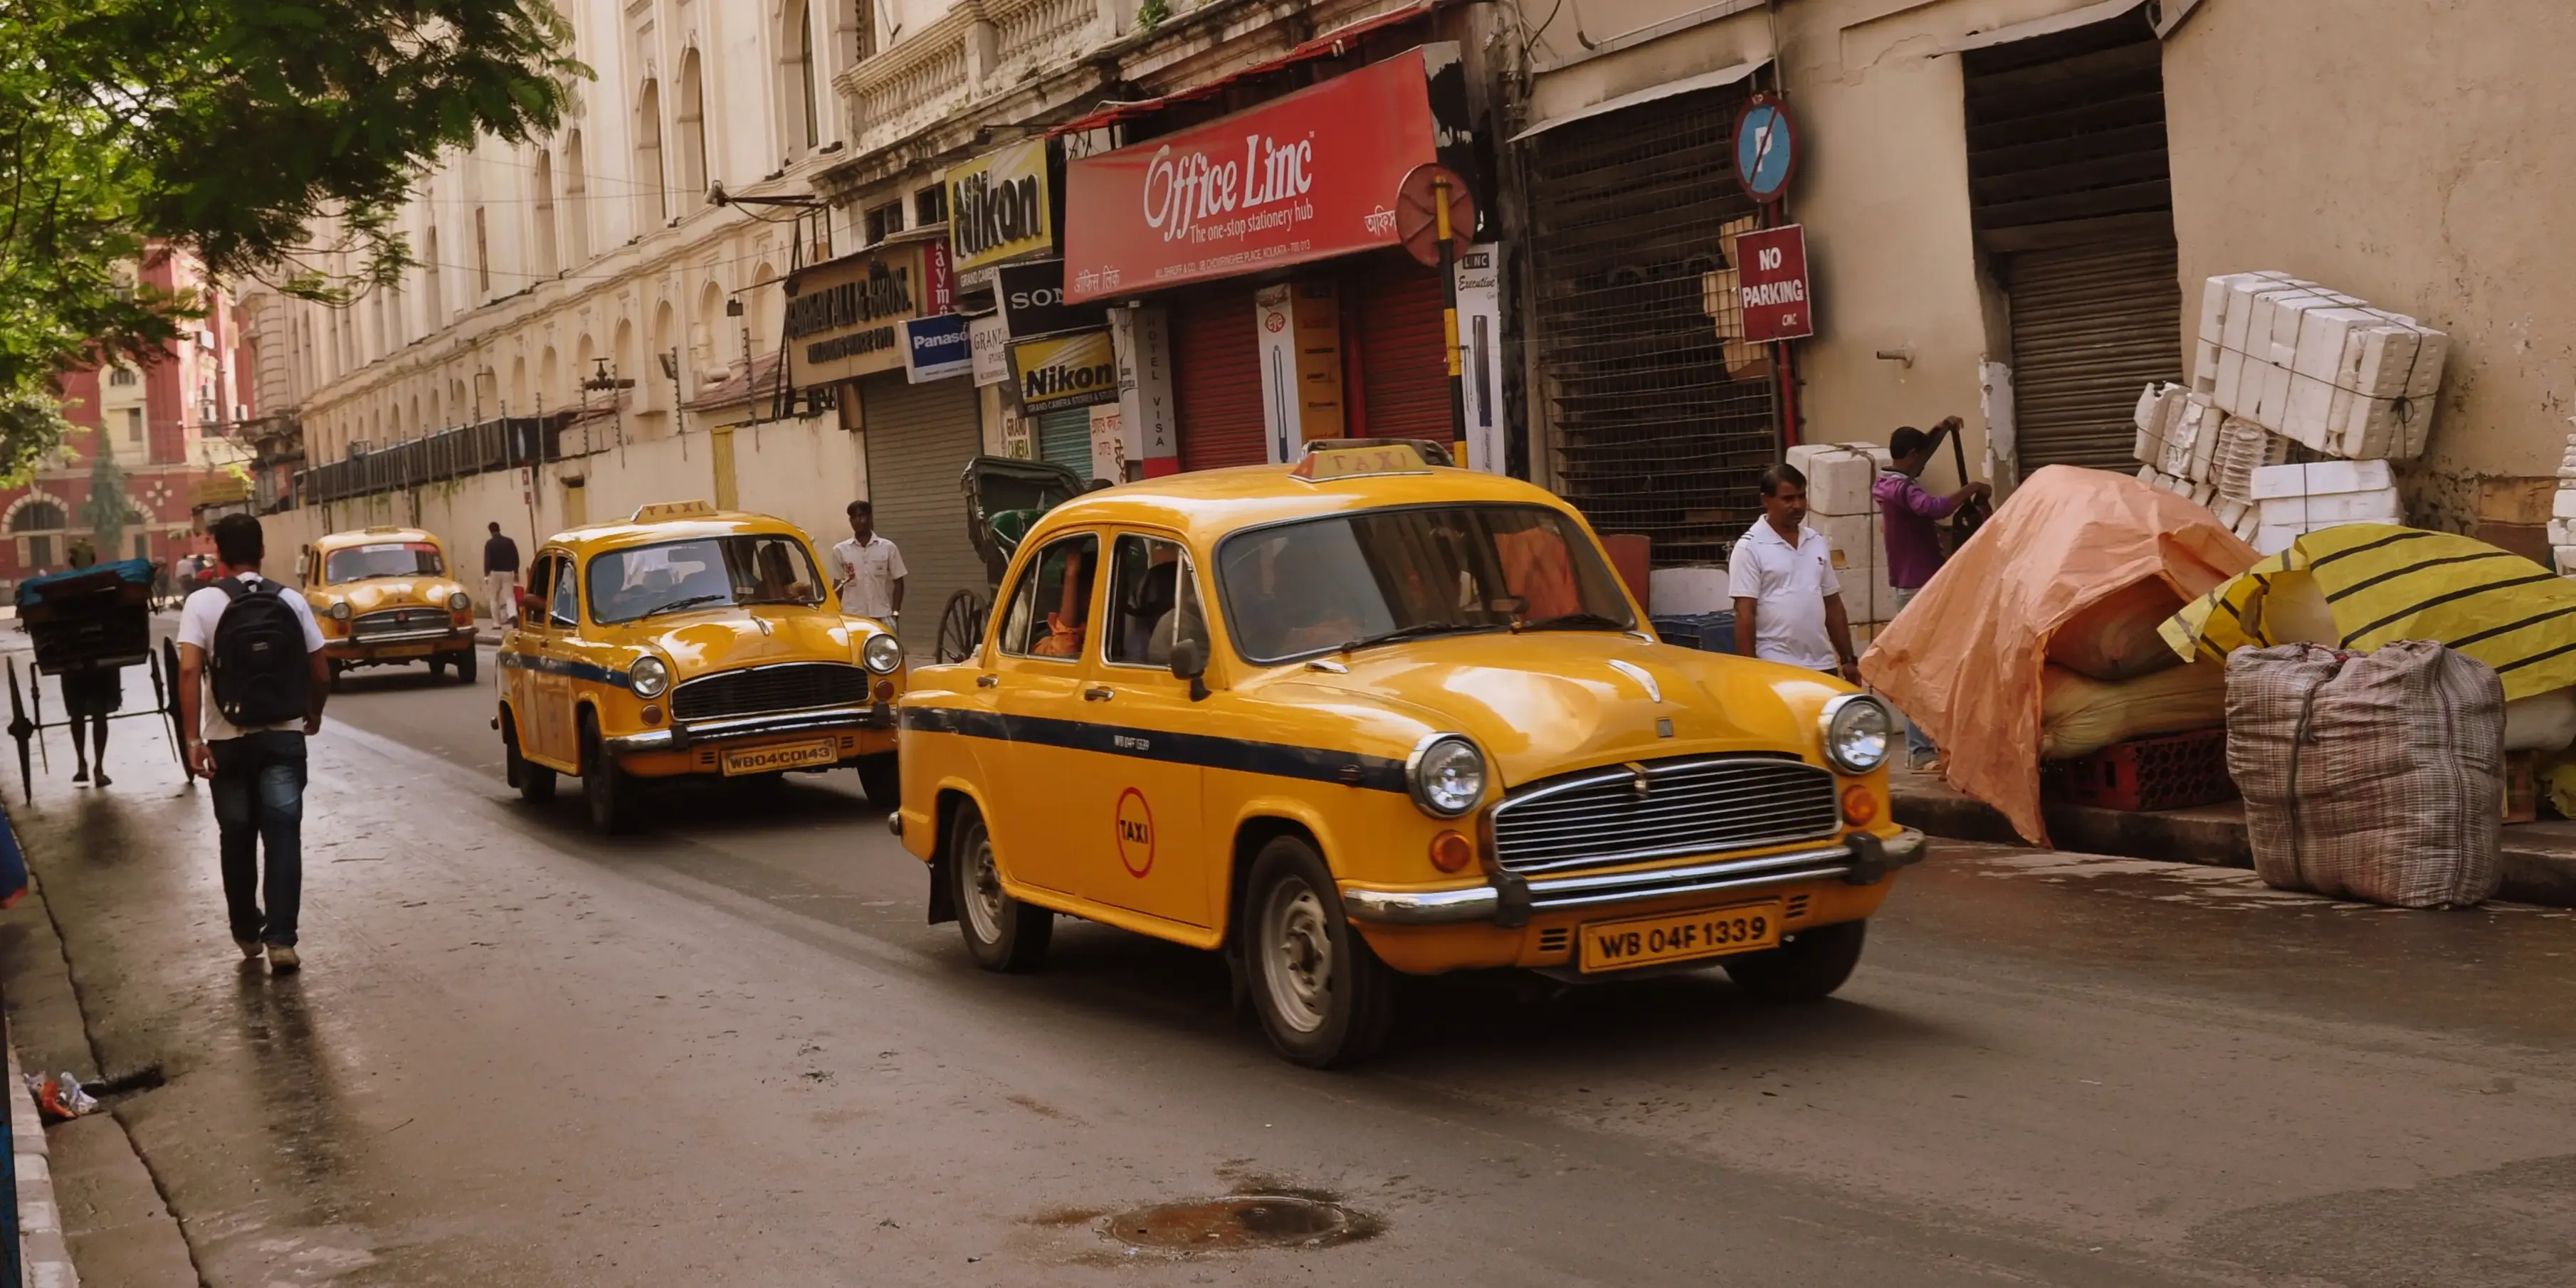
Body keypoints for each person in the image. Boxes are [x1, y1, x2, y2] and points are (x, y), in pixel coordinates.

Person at [177, 514, 328, 974]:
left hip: (227, 740)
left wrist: (192, 739)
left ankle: (246, 931)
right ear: (262, 552)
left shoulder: (201, 603)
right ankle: (282, 940)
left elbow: (187, 670)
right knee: (283, 835)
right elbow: (320, 670)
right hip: (282, 736)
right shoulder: (290, 600)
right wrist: (313, 712)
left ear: (217, 555)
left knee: (236, 836)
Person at [1874, 417, 1994, 766]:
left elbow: (1922, 462)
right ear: (1910, 455)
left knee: (1931, 667)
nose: (1922, 463)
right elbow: (1935, 507)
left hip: (1919, 584)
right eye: (1920, 456)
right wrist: (1971, 488)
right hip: (1917, 588)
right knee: (1922, 671)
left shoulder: (1890, 483)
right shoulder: (1901, 490)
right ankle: (1920, 750)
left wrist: (1942, 429)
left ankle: (1934, 746)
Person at [1730, 463, 1861, 682]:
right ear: (1766, 500)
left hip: (1824, 666)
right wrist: (1750, 671)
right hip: (1776, 667)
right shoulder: (1749, 547)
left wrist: (1848, 659)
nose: (1798, 505)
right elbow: (1745, 613)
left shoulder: (1815, 540)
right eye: (1788, 499)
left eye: (1802, 497)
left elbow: (1833, 604)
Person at [60, 546, 118, 786]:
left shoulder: (62, 589)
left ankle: (84, 765)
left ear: (71, 562)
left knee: (78, 715)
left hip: (74, 659)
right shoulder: (103, 584)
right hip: (99, 659)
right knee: (98, 715)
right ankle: (97, 767)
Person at [829, 500, 907, 626]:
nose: (857, 521)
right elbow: (838, 585)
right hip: (852, 617)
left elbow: (899, 582)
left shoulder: (888, 548)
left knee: (887, 646)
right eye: (853, 518)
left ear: (870, 518)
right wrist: (834, 614)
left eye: (861, 516)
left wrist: (895, 613)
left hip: (882, 615)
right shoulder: (840, 550)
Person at [483, 521, 521, 628]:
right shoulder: (509, 542)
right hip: (508, 572)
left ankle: (496, 623)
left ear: (490, 531)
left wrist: (486, 574)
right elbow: (515, 557)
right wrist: (516, 571)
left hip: (494, 573)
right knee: (509, 596)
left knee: (494, 598)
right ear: (499, 529)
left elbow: (487, 560)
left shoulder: (489, 544)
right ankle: (513, 614)